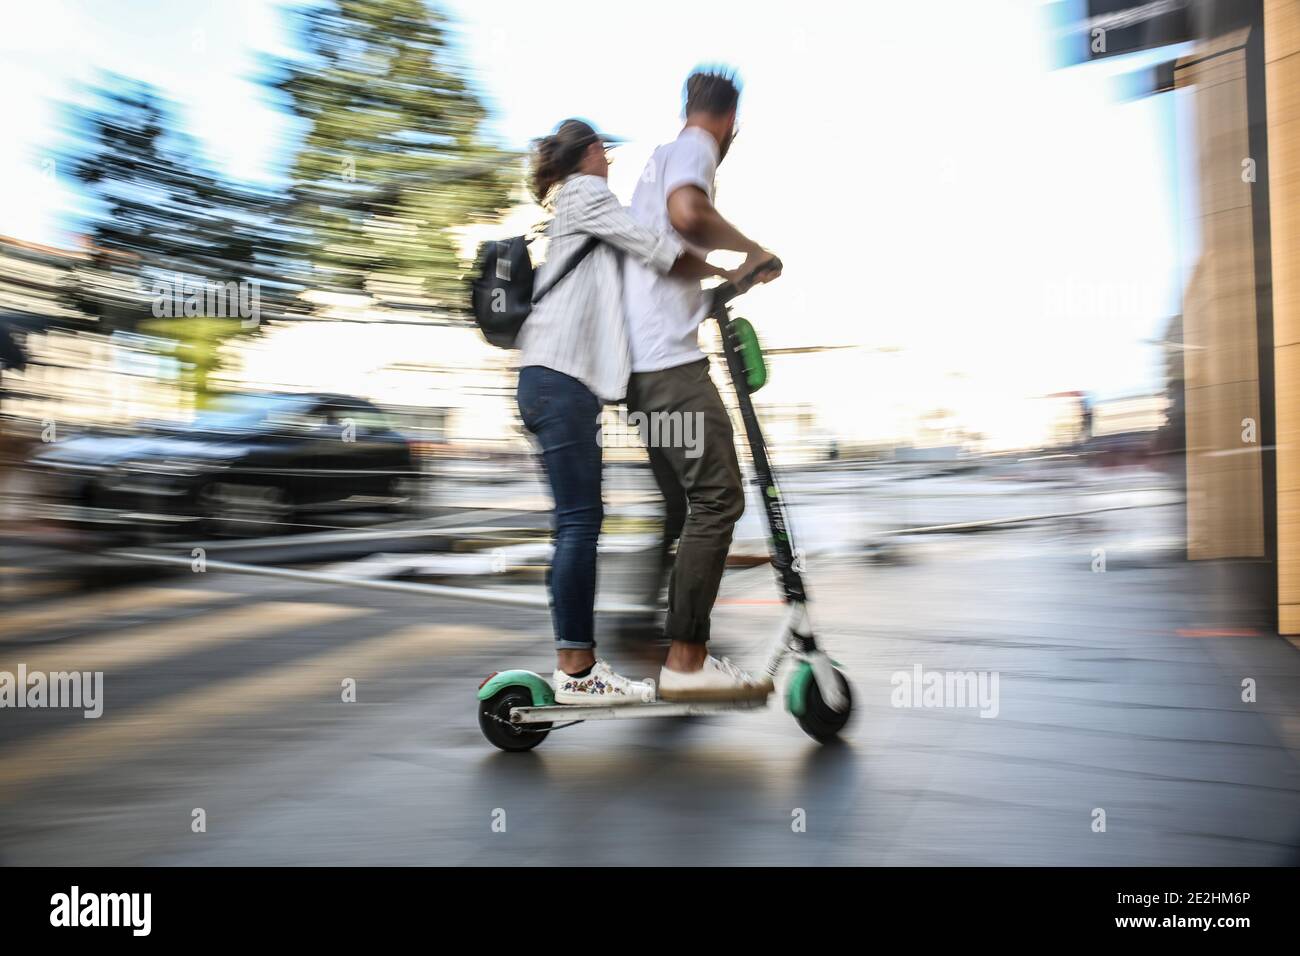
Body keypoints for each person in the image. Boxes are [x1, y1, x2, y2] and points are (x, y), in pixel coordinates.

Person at [517, 118, 733, 705]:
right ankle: (577, 669)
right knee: (579, 523)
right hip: (559, 382)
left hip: (556, 383)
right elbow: (656, 247)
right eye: (605, 154)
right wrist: (726, 271)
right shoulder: (587, 194)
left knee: (579, 522)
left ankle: (578, 663)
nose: (610, 164)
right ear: (590, 154)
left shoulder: (569, 207)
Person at [622, 69, 781, 701]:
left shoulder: (655, 163)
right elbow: (690, 215)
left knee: (685, 506)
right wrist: (753, 248)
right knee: (719, 499)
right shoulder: (694, 149)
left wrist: (729, 278)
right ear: (729, 120)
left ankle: (661, 635)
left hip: (642, 377)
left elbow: (673, 253)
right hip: (670, 370)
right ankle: (686, 659)